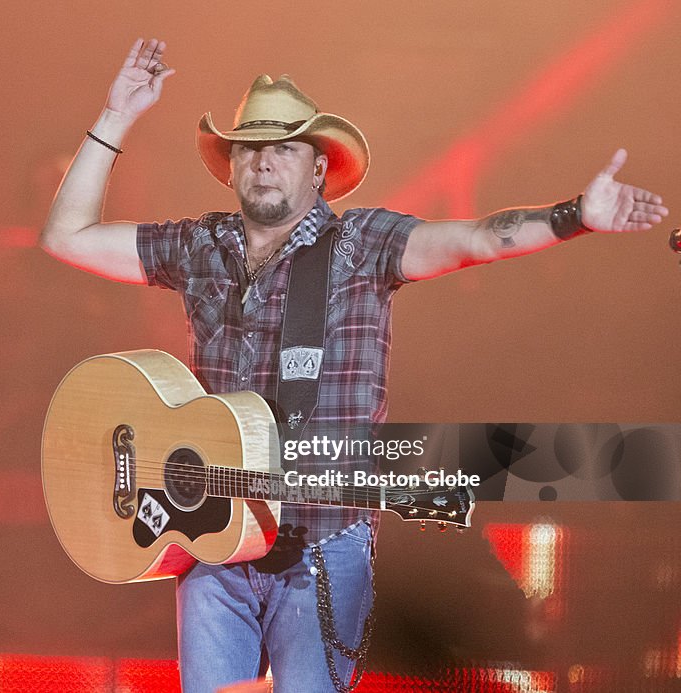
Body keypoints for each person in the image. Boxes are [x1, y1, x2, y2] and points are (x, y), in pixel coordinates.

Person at [39, 38, 669, 692]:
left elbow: (476, 239)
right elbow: (66, 236)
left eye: (285, 148)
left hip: (323, 544)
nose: (264, 162)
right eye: (250, 147)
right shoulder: (200, 246)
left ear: (318, 170)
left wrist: (574, 216)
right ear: (229, 167)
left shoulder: (363, 244)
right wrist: (114, 116)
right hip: (214, 540)